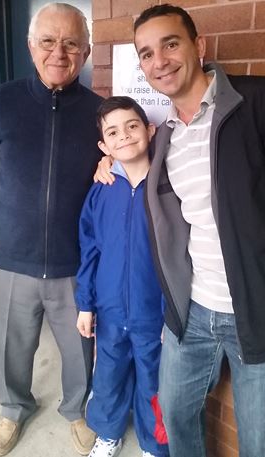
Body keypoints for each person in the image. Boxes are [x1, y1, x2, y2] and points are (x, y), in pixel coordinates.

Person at [97, 3, 265, 457]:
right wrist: (109, 160)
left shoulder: (256, 103)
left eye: (170, 44)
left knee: (258, 443)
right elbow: (134, 165)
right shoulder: (166, 134)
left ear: (199, 45)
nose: (160, 61)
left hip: (257, 313)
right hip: (189, 314)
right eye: (147, 54)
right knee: (173, 416)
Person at [0, 2, 103, 456]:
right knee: (9, 346)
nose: (58, 52)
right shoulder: (2, 102)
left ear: (85, 52)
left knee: (80, 351)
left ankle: (78, 409)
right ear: (31, 46)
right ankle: (13, 407)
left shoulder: (100, 113)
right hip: (10, 257)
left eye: (70, 43)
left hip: (75, 264)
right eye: (48, 40)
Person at [76, 96, 169, 457]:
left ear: (149, 129)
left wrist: (172, 312)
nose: (125, 136)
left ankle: (154, 444)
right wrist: (86, 304)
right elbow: (90, 249)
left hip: (153, 311)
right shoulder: (101, 189)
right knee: (109, 376)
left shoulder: (166, 187)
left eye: (132, 126)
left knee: (154, 381)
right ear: (104, 146)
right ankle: (108, 434)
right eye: (113, 132)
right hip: (111, 309)